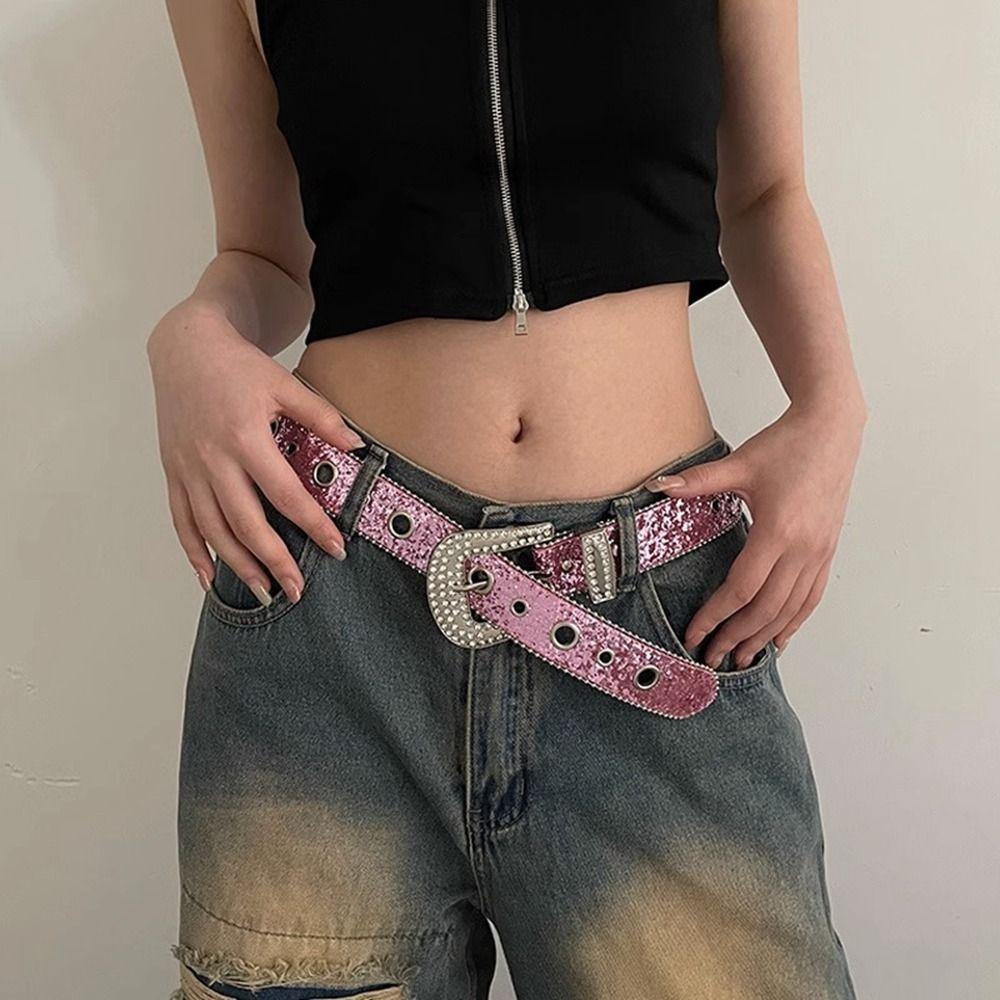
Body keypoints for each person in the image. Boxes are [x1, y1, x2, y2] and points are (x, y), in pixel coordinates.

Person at [151, 1, 865, 998]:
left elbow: (766, 193)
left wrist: (831, 407)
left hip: (655, 611)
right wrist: (190, 336)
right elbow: (265, 257)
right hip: (333, 606)